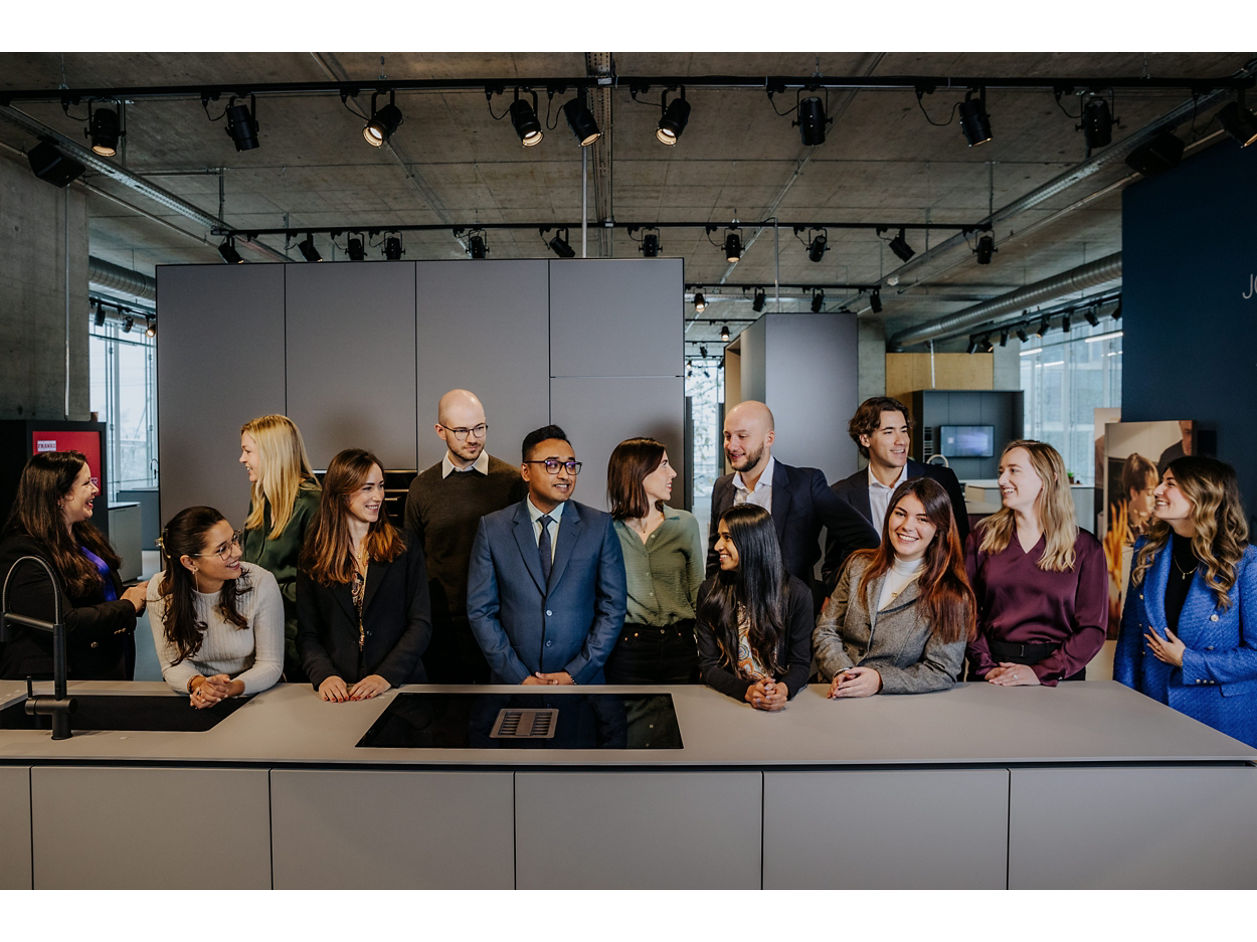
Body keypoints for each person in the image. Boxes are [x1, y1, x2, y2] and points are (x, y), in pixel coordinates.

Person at [1114, 456, 1257, 747]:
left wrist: (1188, 661)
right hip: (1152, 711)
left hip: (1221, 722)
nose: (1156, 491)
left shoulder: (1246, 563)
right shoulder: (1146, 550)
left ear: (1204, 493)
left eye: (1170, 484)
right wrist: (1123, 701)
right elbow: (1130, 638)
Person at [467, 425, 626, 685]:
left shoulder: (599, 526)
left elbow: (613, 607)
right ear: (526, 471)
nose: (565, 474)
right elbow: (481, 611)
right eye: (552, 465)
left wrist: (576, 672)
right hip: (514, 682)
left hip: (582, 682)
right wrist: (518, 676)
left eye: (571, 465)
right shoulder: (493, 528)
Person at [403, 389, 526, 683]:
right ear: (440, 431)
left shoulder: (511, 482)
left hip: (501, 624)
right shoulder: (422, 488)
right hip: (443, 626)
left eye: (480, 428)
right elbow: (412, 561)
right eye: (461, 431)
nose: (473, 438)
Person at [814, 478, 975, 697]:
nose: (907, 526)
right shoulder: (858, 564)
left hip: (895, 705)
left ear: (939, 529)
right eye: (900, 513)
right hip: (834, 690)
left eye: (922, 519)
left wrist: (880, 681)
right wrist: (844, 671)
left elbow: (941, 671)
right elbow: (826, 630)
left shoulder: (952, 594)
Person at [965, 439, 1107, 685]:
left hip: (1060, 673)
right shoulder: (981, 538)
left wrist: (1040, 671)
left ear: (1047, 478)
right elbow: (964, 610)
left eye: (1013, 471)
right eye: (1001, 472)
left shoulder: (1085, 547)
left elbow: (1092, 630)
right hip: (992, 669)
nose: (1001, 481)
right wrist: (986, 666)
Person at [708, 400, 876, 607]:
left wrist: (833, 590)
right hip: (733, 610)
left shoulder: (806, 484)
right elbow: (714, 554)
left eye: (742, 436)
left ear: (769, 438)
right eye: (727, 436)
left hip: (789, 611)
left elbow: (863, 538)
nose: (732, 445)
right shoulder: (722, 487)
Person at [296, 448, 432, 701]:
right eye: (367, 488)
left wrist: (385, 676)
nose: (378, 496)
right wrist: (325, 675)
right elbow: (308, 635)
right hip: (341, 693)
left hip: (398, 688)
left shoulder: (405, 547)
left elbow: (420, 624)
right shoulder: (313, 556)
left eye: (380, 486)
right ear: (341, 493)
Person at [0, 451, 147, 680]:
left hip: (103, 665)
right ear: (59, 495)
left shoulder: (83, 535)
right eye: (87, 483)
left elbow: (102, 594)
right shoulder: (21, 551)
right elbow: (65, 623)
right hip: (59, 678)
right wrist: (127, 605)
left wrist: (146, 592)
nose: (95, 490)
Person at [146, 506, 283, 707]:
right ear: (190, 562)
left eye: (234, 539)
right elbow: (172, 664)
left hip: (252, 694)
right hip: (195, 696)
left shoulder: (261, 582)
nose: (237, 552)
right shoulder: (161, 590)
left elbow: (270, 664)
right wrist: (202, 686)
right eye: (222, 549)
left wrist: (230, 688)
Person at [605, 437, 704, 684]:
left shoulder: (685, 524)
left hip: (680, 646)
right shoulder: (605, 530)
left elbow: (699, 593)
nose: (673, 472)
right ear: (638, 472)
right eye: (664, 465)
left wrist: (707, 654)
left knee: (685, 720)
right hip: (627, 649)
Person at [828, 396, 970, 556]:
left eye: (904, 430)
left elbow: (960, 546)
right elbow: (834, 563)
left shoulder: (942, 479)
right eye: (889, 432)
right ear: (865, 439)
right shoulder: (842, 494)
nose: (901, 440)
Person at [238, 414, 321, 683]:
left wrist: (262, 594)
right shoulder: (261, 500)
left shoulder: (312, 504)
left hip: (296, 643)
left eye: (247, 451)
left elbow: (320, 586)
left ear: (272, 453)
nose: (242, 459)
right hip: (257, 636)